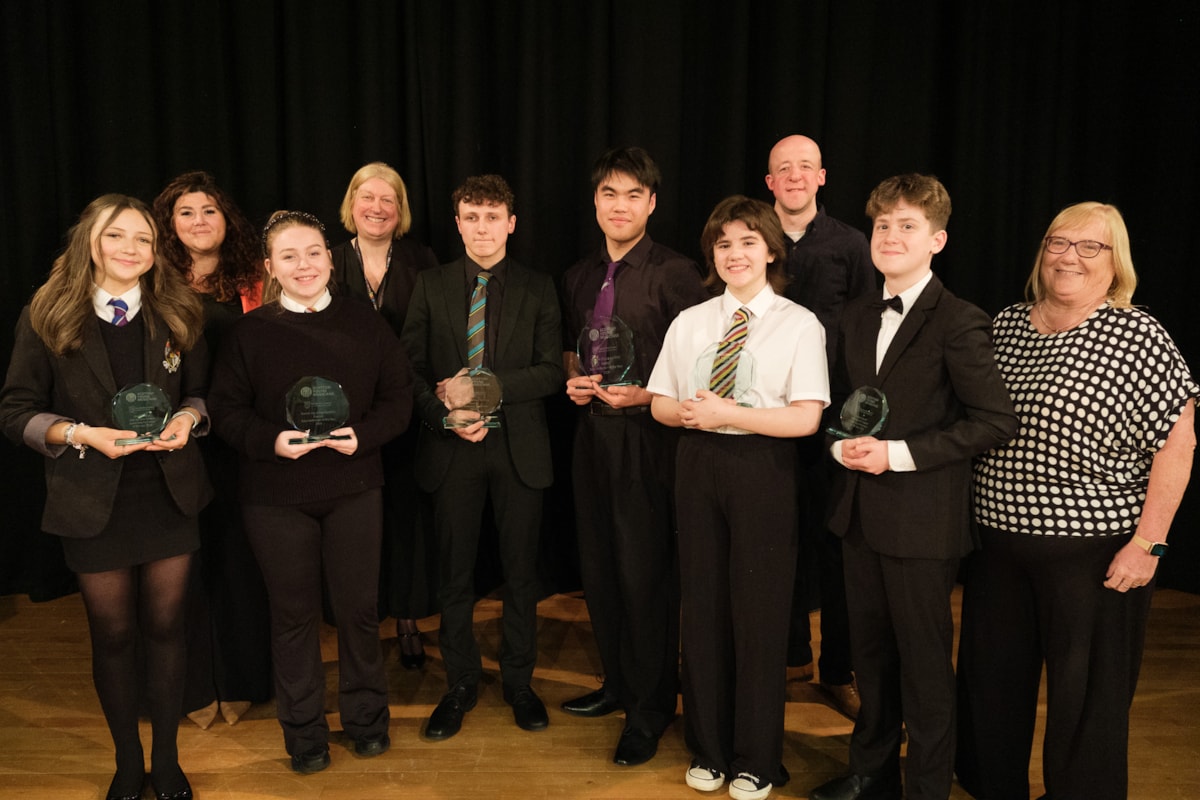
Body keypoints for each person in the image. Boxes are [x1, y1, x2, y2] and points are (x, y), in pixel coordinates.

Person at [955, 202, 1198, 800]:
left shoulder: (1137, 335)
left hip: (1092, 553)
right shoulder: (1006, 325)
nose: (1069, 257)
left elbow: (1177, 444)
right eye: (1059, 244)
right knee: (991, 689)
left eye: (1091, 248)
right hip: (996, 547)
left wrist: (1149, 544)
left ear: (1116, 264)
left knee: (1086, 699)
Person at [808, 174, 1018, 800]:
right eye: (882, 226)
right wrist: (836, 441)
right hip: (859, 517)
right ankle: (871, 773)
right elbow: (840, 406)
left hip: (923, 523)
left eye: (907, 226)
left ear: (937, 240)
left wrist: (897, 455)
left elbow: (994, 422)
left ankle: (926, 787)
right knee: (871, 658)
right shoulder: (854, 315)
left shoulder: (959, 320)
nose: (891, 236)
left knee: (925, 668)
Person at [0, 194, 210, 800]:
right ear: (90, 243)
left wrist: (189, 423)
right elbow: (15, 412)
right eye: (117, 237)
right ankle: (126, 762)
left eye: (143, 240)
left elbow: (201, 395)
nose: (131, 250)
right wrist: (78, 433)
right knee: (114, 636)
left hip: (169, 495)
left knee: (169, 629)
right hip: (92, 500)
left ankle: (166, 762)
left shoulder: (178, 309)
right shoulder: (47, 314)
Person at [207, 210, 413, 774]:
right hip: (275, 496)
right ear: (270, 267)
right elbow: (225, 411)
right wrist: (272, 441)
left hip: (353, 485)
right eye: (290, 257)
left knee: (359, 613)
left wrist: (362, 437)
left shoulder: (365, 322)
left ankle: (368, 721)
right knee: (293, 617)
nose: (305, 265)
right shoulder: (249, 333)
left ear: (330, 258)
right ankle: (304, 735)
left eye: (315, 253)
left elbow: (399, 399)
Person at [648, 195, 829, 800]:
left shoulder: (799, 324)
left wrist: (731, 413)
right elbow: (661, 403)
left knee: (759, 613)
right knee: (701, 606)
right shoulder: (690, 322)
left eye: (748, 241)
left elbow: (805, 419)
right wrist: (693, 413)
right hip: (698, 465)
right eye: (723, 244)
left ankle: (757, 757)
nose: (735, 253)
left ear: (771, 250)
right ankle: (710, 748)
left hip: (763, 471)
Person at [400, 174, 563, 741]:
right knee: (454, 576)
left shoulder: (539, 286)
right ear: (458, 223)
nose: (482, 228)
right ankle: (461, 683)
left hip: (520, 449)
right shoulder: (431, 284)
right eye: (472, 217)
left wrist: (483, 386)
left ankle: (520, 681)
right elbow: (410, 370)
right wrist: (445, 414)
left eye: (493, 217)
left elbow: (549, 371)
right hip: (451, 450)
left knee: (521, 576)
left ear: (511, 223)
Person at [560, 146, 708, 766]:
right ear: (594, 203)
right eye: (608, 195)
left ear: (651, 203)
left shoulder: (677, 273)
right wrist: (571, 378)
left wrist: (650, 395)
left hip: (649, 440)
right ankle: (617, 684)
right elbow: (574, 349)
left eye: (632, 196)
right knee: (600, 570)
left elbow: (699, 365)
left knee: (645, 575)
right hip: (591, 438)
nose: (618, 207)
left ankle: (650, 709)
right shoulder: (578, 274)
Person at [152, 170, 271, 729]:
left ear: (227, 221)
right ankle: (194, 689)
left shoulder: (255, 280)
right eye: (186, 212)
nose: (199, 221)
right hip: (174, 442)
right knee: (183, 566)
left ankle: (244, 679)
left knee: (240, 559)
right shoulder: (151, 281)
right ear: (169, 225)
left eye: (209, 211)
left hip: (241, 442)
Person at [765, 134, 875, 718]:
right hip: (766, 418)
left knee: (836, 550)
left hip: (832, 421)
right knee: (777, 542)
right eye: (784, 169)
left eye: (805, 166)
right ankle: (787, 659)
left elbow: (865, 330)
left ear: (822, 176)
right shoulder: (753, 239)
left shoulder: (853, 245)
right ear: (770, 182)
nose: (795, 176)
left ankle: (838, 670)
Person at [331, 161, 439, 670]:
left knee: (405, 517)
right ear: (352, 204)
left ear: (401, 210)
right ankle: (361, 620)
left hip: (407, 410)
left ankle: (408, 617)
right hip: (345, 414)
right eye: (367, 197)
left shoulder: (422, 261)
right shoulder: (326, 259)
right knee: (355, 521)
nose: (377, 208)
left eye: (388, 200)